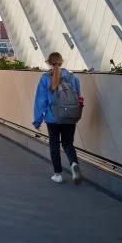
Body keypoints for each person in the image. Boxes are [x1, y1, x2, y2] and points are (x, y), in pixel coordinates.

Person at [32, 52, 82, 185]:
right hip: (69, 117)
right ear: (61, 61)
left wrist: (37, 120)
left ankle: (58, 174)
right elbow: (78, 98)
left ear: (49, 63)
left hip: (52, 118)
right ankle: (73, 164)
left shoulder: (45, 78)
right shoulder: (73, 77)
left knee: (54, 144)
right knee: (68, 143)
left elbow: (40, 101)